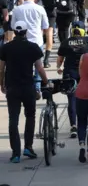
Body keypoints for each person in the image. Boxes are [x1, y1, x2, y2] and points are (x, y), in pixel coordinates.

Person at [0, 21, 50, 163]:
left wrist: (1, 84)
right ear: (26, 32)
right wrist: (46, 81)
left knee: (13, 119)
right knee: (30, 115)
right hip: (28, 86)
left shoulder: (6, 48)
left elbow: (1, 68)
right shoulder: (33, 47)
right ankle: (28, 146)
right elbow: (39, 68)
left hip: (12, 87)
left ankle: (15, 153)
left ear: (14, 32)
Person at [56, 17, 88, 139]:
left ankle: (73, 125)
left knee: (72, 99)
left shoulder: (66, 42)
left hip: (70, 73)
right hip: (86, 73)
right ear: (83, 30)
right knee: (87, 98)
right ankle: (86, 122)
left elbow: (60, 60)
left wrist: (59, 67)